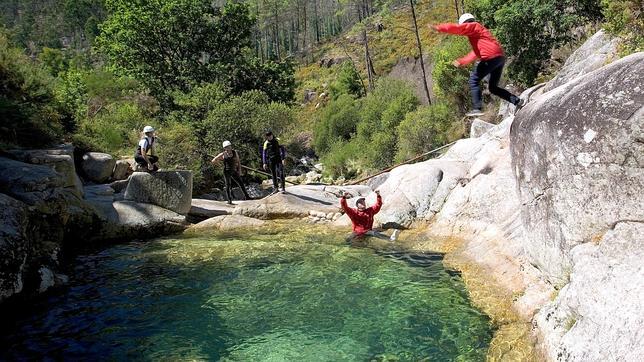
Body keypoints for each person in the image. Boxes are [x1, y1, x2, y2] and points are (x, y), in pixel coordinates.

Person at [431, 13, 524, 117]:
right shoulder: (478, 34)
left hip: (490, 57)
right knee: (493, 88)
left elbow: (458, 28)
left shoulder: (473, 26)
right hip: (499, 58)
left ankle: (477, 108)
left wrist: (439, 28)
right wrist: (462, 61)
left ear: (466, 23)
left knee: (473, 80)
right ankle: (517, 101)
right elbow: (475, 53)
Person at [211, 141, 251, 205]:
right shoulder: (223, 154)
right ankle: (229, 200)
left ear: (230, 146)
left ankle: (247, 197)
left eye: (229, 146)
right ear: (224, 148)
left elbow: (238, 162)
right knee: (228, 185)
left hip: (234, 170)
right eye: (226, 147)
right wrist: (219, 164)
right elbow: (213, 160)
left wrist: (239, 170)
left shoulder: (235, 152)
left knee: (241, 183)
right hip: (226, 171)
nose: (228, 148)